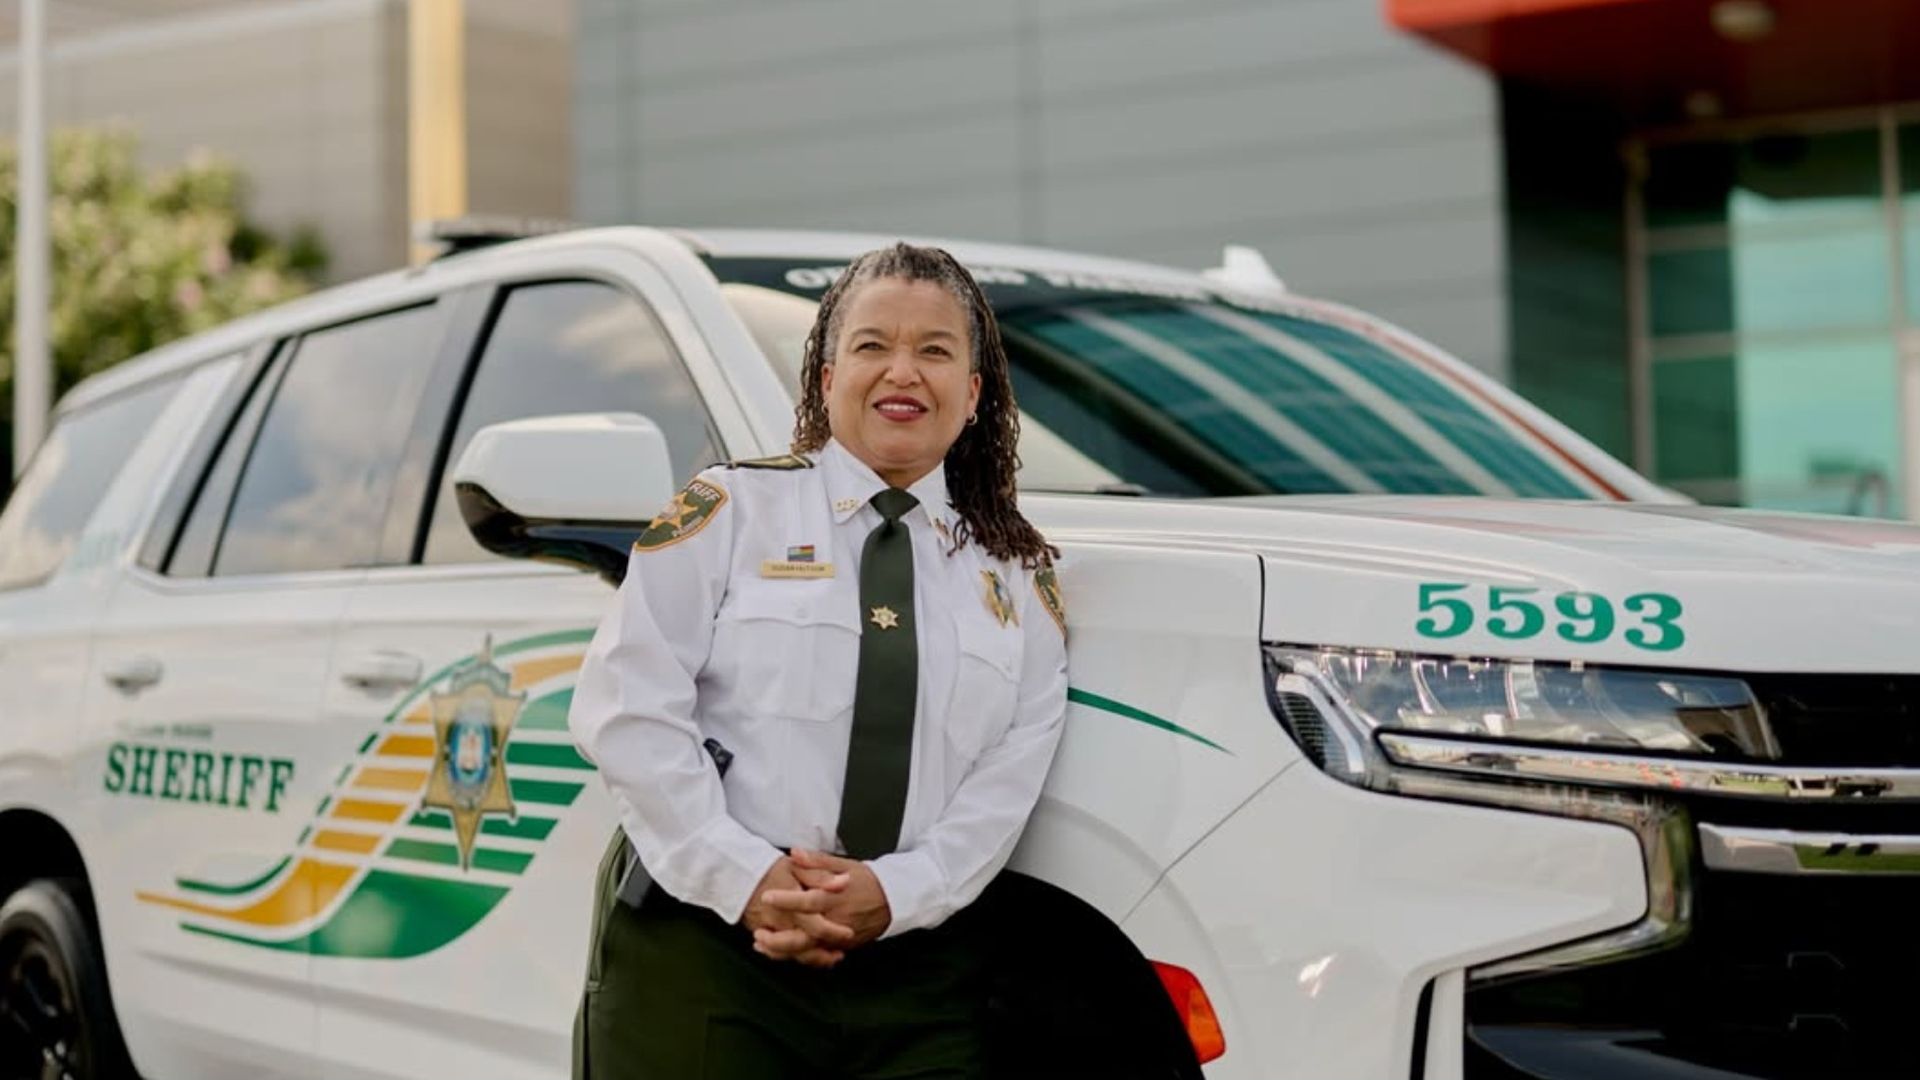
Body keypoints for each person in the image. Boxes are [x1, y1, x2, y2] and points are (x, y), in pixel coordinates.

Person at [569, 242, 1070, 1080]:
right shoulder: (730, 512)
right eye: (873, 346)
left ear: (975, 393)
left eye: (935, 351)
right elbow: (627, 706)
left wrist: (899, 894)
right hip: (708, 948)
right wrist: (747, 877)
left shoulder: (1017, 577)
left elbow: (1010, 777)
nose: (902, 372)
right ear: (829, 373)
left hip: (919, 975)